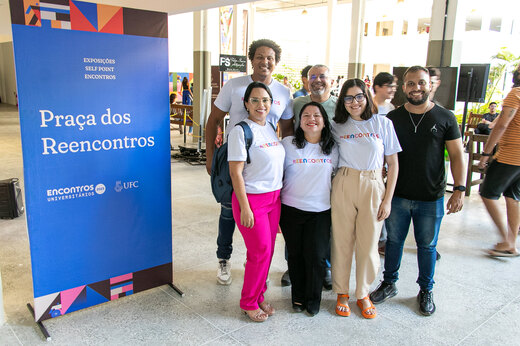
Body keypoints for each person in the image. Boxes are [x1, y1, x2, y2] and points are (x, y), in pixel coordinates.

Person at [370, 66, 465, 316]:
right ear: (404, 88)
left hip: (430, 197)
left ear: (430, 85)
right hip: (398, 195)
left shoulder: (446, 117)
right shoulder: (393, 118)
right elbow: (382, 157)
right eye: (410, 84)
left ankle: (426, 290)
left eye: (421, 83)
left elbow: (457, 155)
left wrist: (459, 189)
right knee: (393, 242)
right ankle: (389, 283)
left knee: (427, 246)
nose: (416, 88)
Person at [205, 39, 293, 286]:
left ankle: (254, 262)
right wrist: (210, 157)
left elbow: (287, 130)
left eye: (270, 58)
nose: (265, 62)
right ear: (251, 59)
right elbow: (213, 121)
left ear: (276, 62)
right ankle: (223, 258)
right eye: (260, 56)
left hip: (264, 164)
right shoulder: (234, 86)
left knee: (262, 220)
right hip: (234, 162)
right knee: (228, 212)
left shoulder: (284, 93)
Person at [331, 79, 401, 319]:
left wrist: (388, 199)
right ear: (343, 101)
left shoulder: (382, 123)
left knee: (369, 243)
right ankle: (341, 292)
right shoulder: (336, 126)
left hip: (373, 184)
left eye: (359, 96)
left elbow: (392, 164)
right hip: (344, 181)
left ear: (367, 96)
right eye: (348, 98)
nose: (354, 102)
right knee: (341, 240)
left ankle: (363, 293)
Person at [228, 82, 285, 322]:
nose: (261, 105)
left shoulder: (271, 127)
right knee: (259, 251)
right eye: (255, 100)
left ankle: (259, 294)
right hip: (251, 199)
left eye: (265, 100)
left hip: (274, 198)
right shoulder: (240, 131)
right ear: (246, 103)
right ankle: (248, 302)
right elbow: (236, 173)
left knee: (268, 251)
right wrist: (245, 207)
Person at [280, 102, 338, 316]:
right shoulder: (287, 144)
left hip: (321, 211)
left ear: (324, 121)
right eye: (306, 115)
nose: (311, 119)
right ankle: (298, 296)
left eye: (316, 115)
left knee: (316, 257)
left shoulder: (333, 148)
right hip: (291, 209)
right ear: (299, 121)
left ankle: (313, 299)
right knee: (295, 255)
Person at [283, 64, 337, 289]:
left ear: (331, 80)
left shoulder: (339, 106)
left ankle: (323, 266)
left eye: (322, 76)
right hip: (301, 167)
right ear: (306, 81)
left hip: (329, 166)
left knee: (323, 228)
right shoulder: (296, 104)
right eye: (312, 76)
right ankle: (292, 265)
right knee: (294, 223)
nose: (317, 80)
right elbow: (287, 131)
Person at [478, 64, 520, 257]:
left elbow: (502, 124)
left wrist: (486, 154)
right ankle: (510, 242)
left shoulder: (516, 93)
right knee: (512, 196)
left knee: (488, 192)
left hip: (511, 154)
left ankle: (506, 240)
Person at [372, 72, 397, 255]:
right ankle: (380, 239)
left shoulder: (391, 108)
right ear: (378, 87)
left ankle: (384, 239)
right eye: (389, 85)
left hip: (388, 162)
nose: (392, 89)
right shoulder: (370, 107)